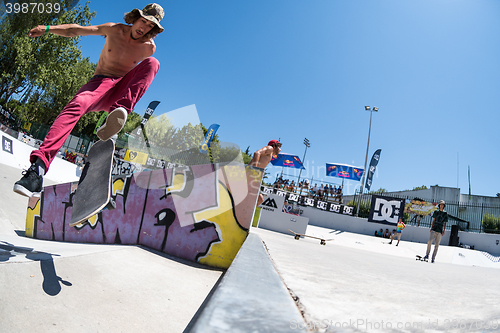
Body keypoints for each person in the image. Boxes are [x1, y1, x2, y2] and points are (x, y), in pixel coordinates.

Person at [13, 4, 164, 197]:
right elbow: (75, 30)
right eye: (143, 21)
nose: (144, 28)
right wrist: (48, 29)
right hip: (100, 84)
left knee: (153, 63)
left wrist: (123, 103)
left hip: (120, 93)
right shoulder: (114, 29)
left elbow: (141, 78)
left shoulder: (148, 47)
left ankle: (118, 114)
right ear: (135, 17)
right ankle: (38, 170)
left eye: (150, 26)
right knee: (77, 105)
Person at [249, 139, 282, 206]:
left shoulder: (270, 154)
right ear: (274, 146)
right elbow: (256, 153)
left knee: (259, 200)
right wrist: (255, 170)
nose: (280, 149)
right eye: (279, 147)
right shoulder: (270, 148)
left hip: (252, 176)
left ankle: (244, 212)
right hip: (250, 174)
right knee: (259, 199)